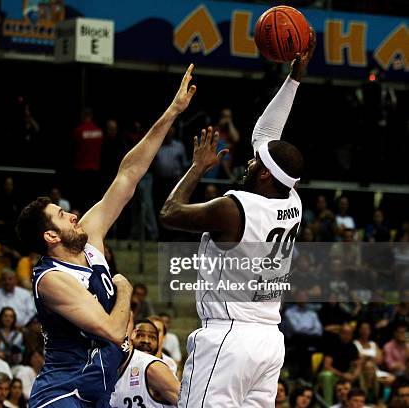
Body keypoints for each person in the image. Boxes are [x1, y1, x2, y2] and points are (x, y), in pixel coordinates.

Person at [16, 63, 200, 407]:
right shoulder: (52, 280)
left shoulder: (90, 237)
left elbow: (129, 173)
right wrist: (126, 289)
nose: (73, 215)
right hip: (61, 395)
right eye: (61, 216)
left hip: (95, 392)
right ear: (51, 237)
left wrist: (173, 111)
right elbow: (115, 332)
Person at [159, 32, 315, 408]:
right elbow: (266, 133)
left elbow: (169, 213)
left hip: (229, 339)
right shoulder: (291, 197)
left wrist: (197, 168)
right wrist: (294, 78)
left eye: (255, 163)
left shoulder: (234, 209)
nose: (249, 161)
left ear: (264, 175)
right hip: (268, 341)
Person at [109, 319, 180, 407]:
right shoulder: (111, 366)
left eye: (152, 337)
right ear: (133, 335)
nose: (146, 341)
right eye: (140, 335)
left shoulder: (155, 368)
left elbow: (190, 403)